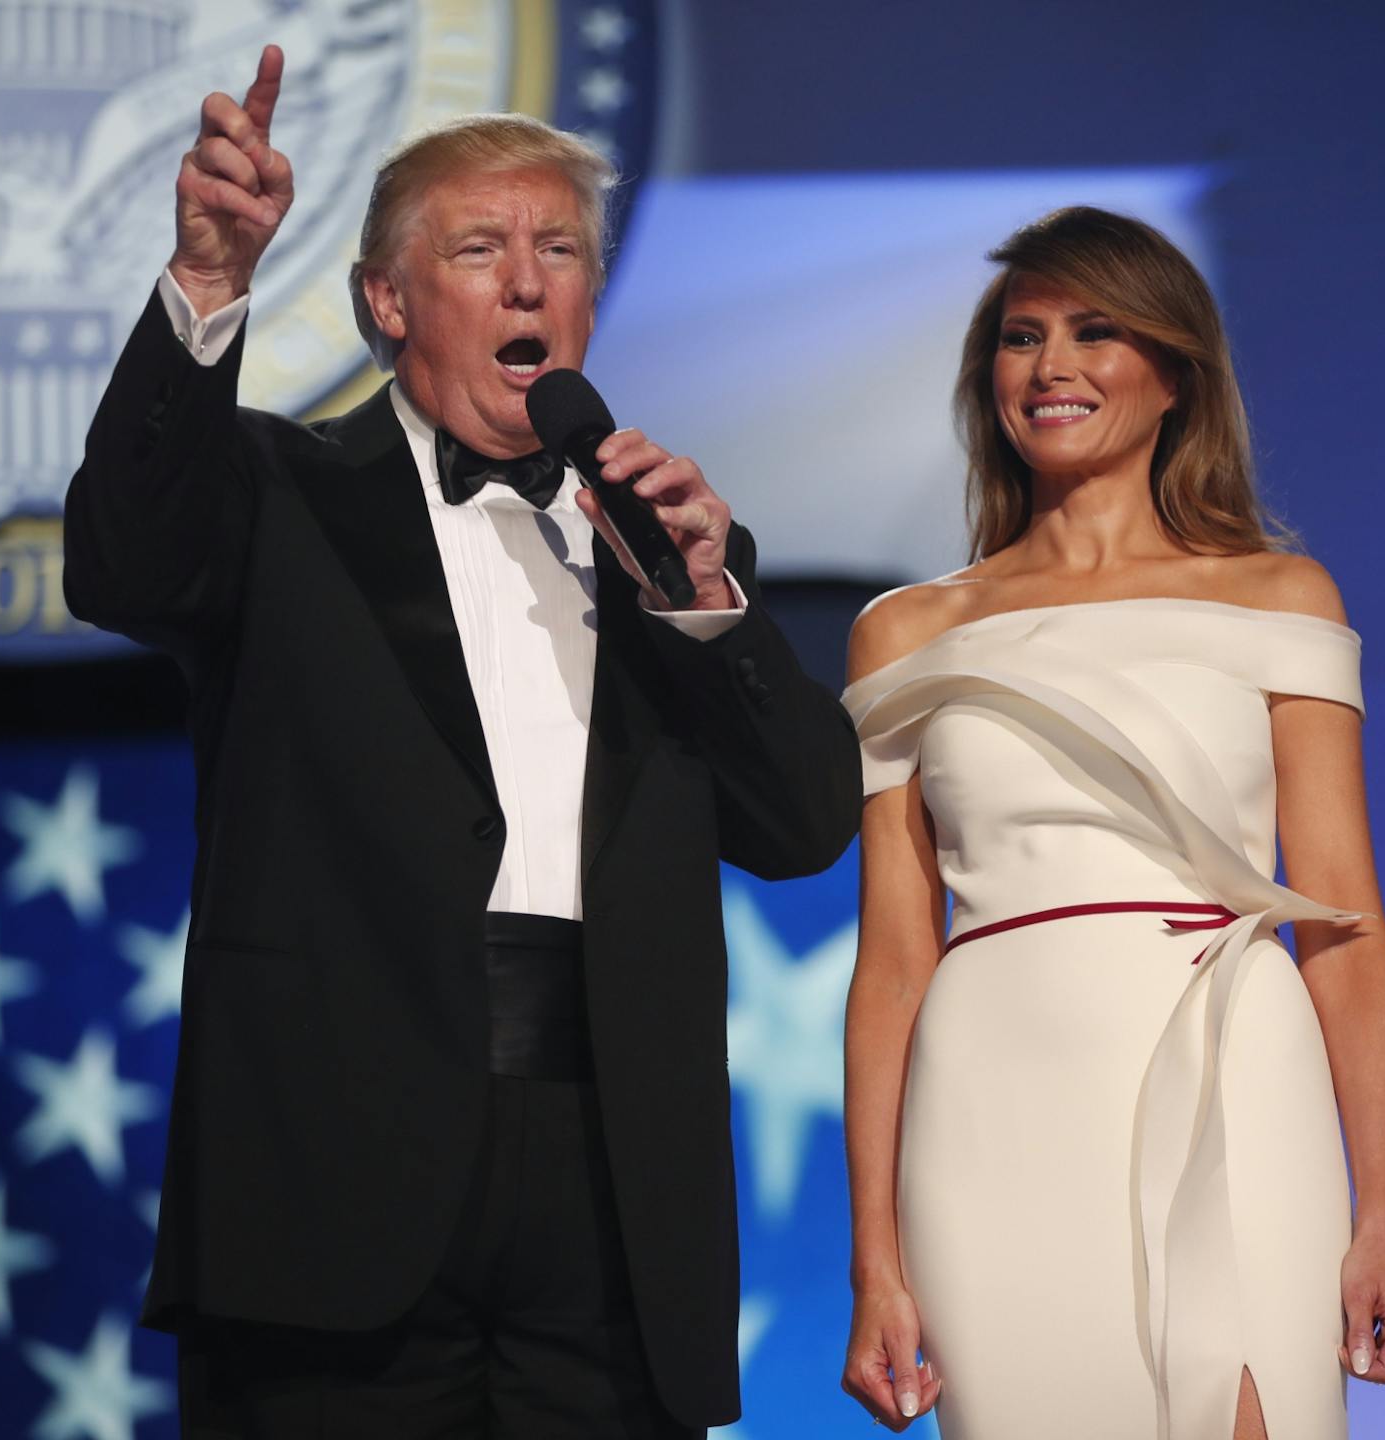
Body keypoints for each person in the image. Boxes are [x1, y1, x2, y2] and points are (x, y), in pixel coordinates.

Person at [64, 45, 861, 1438]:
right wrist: (206, 284)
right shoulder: (275, 493)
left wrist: (710, 608)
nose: (526, 277)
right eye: (480, 245)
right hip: (335, 1167)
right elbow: (124, 562)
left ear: (591, 301)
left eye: (558, 248)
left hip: (610, 1186)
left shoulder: (666, 552)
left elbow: (801, 828)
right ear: (387, 298)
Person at [837, 207, 1385, 1439]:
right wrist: (874, 1262)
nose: (1051, 367)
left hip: (1233, 1067)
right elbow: (894, 962)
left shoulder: (1280, 597)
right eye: (1022, 338)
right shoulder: (909, 631)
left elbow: (1346, 926)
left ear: (1175, 375)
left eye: (1096, 331)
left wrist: (1382, 1217)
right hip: (991, 1103)